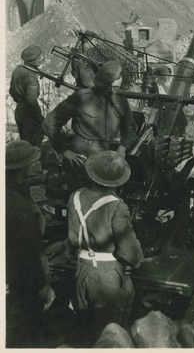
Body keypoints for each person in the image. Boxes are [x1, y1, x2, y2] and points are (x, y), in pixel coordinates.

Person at [66, 151, 143, 339]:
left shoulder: (75, 197)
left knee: (84, 327)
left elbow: (72, 236)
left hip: (81, 271)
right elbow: (129, 250)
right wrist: (137, 261)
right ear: (119, 181)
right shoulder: (117, 206)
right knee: (109, 332)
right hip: (106, 277)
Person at [43, 61, 137, 199]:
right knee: (80, 198)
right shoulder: (81, 97)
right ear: (101, 84)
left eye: (116, 88)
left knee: (105, 200)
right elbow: (50, 122)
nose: (113, 91)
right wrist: (64, 150)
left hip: (108, 155)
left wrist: (122, 148)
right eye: (109, 88)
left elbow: (130, 128)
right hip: (82, 156)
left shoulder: (120, 100)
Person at [6, 140, 56, 347]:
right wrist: (44, 286)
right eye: (32, 163)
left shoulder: (12, 190)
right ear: (22, 168)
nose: (36, 165)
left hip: (9, 271)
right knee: (21, 321)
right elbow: (31, 253)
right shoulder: (19, 206)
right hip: (22, 278)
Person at [9, 45, 46, 147]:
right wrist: (39, 118)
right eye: (39, 58)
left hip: (19, 111)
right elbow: (31, 101)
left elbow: (11, 91)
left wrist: (19, 99)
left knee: (24, 143)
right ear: (33, 61)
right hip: (29, 115)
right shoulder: (30, 77)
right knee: (33, 146)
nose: (41, 59)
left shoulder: (17, 70)